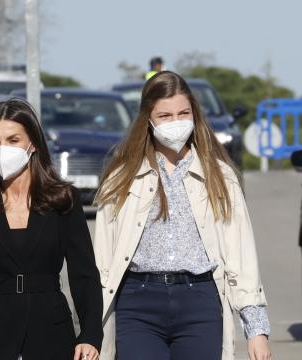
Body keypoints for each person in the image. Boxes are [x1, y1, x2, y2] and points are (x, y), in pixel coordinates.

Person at [93, 71, 271, 360]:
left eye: (183, 113)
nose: (175, 123)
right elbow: (102, 260)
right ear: (147, 121)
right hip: (138, 303)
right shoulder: (122, 177)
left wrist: (257, 331)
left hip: (199, 301)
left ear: (194, 115)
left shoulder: (220, 176)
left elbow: (242, 256)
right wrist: (91, 329)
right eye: (164, 116)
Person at [0, 99, 103, 360]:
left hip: (51, 333)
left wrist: (90, 334)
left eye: (13, 140)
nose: (2, 149)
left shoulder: (63, 200)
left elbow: (84, 274)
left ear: (32, 143)